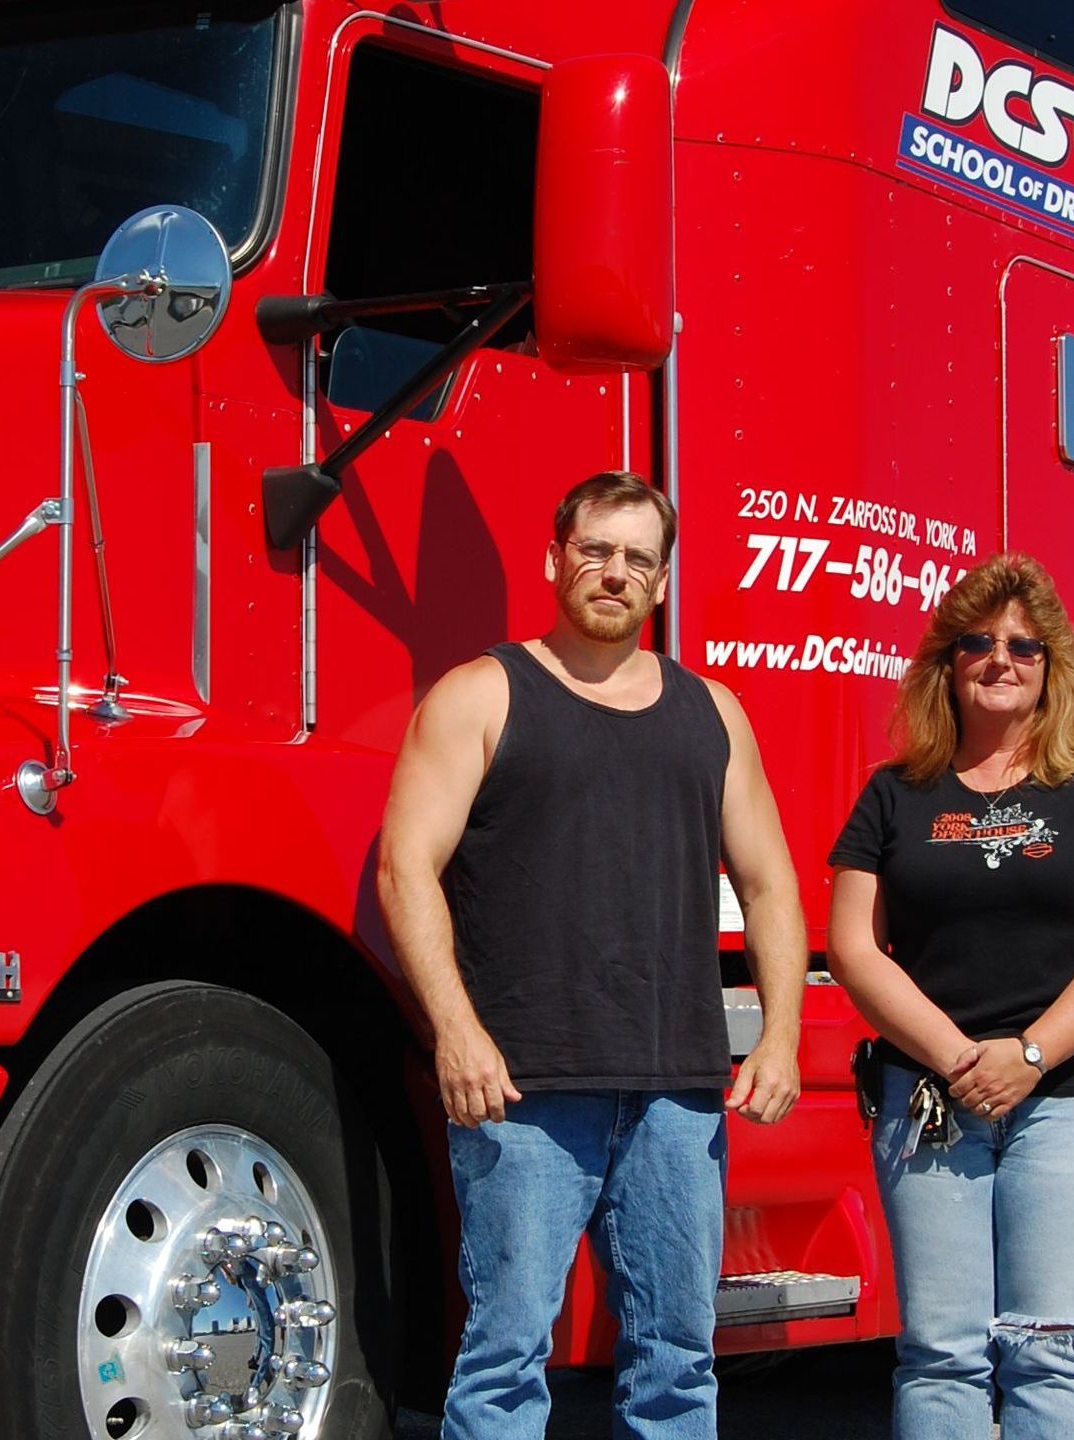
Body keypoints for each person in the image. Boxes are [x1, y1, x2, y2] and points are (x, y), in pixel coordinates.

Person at [377, 471, 807, 1440]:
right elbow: (405, 869)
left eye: (638, 559)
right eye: (597, 551)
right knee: (503, 1362)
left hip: (678, 1095)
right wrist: (457, 1032)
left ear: (662, 580)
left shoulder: (715, 714)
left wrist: (781, 1036)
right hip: (523, 1091)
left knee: (677, 1367)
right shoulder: (483, 696)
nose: (616, 573)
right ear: (555, 558)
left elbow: (773, 884)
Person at [825, 552, 1074, 1440]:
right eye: (977, 641)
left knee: (1051, 1348)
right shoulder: (894, 794)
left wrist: (1027, 1057)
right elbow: (853, 948)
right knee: (941, 1352)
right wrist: (958, 1059)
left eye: (1024, 644)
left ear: (1053, 666)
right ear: (946, 661)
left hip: (1068, 1103)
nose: (1001, 659)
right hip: (931, 1100)